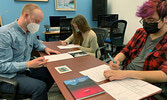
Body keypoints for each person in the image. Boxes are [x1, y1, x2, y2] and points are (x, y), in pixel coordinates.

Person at [104, 0, 167, 96]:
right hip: (125, 77)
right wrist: (116, 60)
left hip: (144, 86)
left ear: (165, 18)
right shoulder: (140, 33)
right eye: (144, 20)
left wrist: (127, 74)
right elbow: (125, 51)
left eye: (151, 20)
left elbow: (164, 74)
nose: (147, 24)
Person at [0, 3, 60, 100]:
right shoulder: (5, 34)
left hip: (24, 70)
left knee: (51, 73)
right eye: (36, 21)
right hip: (8, 77)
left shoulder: (30, 32)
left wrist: (45, 48)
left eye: (39, 22)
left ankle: (36, 96)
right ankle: (38, 93)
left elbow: (37, 44)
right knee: (40, 87)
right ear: (26, 15)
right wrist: (28, 64)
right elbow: (1, 67)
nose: (37, 25)